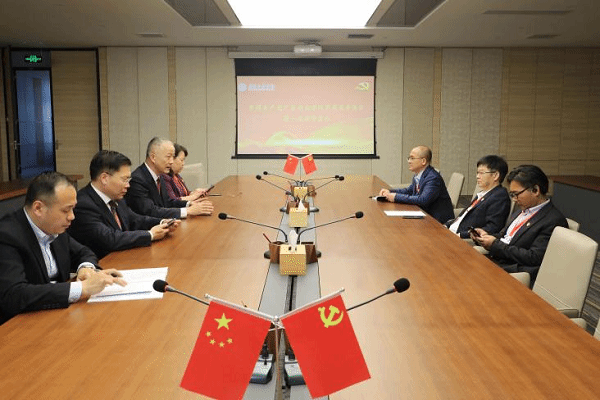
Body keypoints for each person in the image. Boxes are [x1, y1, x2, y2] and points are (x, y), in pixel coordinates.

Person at [0, 172, 126, 324]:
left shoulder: (53, 226)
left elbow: (83, 252)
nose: (72, 216)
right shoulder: (7, 235)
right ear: (38, 208)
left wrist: (85, 268)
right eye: (66, 210)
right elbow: (14, 294)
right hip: (18, 324)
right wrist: (82, 288)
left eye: (73, 209)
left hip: (55, 315)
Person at [68, 150, 180, 259]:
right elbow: (109, 239)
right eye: (124, 180)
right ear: (104, 178)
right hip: (103, 264)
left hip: (123, 257)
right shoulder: (83, 204)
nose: (128, 185)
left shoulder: (116, 197)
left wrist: (162, 222)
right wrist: (150, 234)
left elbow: (134, 219)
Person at [471, 165, 568, 285]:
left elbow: (534, 257)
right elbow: (505, 237)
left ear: (535, 190)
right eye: (512, 194)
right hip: (497, 261)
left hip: (514, 273)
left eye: (516, 194)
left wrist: (495, 245)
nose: (514, 199)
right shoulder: (522, 210)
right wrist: (485, 236)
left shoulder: (553, 220)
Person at [125, 137, 213, 219]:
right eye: (168, 157)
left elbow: (168, 202)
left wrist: (189, 204)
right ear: (153, 157)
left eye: (173, 157)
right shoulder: (138, 180)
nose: (171, 162)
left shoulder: (159, 175)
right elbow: (150, 211)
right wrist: (187, 211)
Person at [379, 145, 454, 223]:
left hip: (438, 222)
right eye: (409, 158)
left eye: (412, 158)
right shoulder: (419, 175)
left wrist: (396, 197)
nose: (409, 161)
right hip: (424, 215)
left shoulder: (433, 178)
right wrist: (389, 192)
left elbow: (423, 200)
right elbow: (409, 191)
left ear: (423, 161)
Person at [445, 155, 511, 238]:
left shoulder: (500, 197)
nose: (477, 176)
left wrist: (460, 235)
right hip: (452, 231)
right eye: (477, 173)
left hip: (462, 238)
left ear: (495, 175)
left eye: (481, 173)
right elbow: (464, 216)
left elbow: (492, 228)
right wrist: (447, 225)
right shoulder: (484, 192)